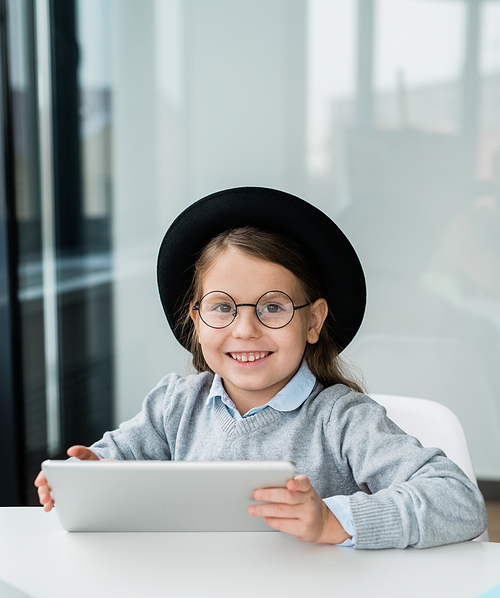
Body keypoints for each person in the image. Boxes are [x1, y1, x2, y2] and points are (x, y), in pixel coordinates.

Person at [35, 187, 488, 548]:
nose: (245, 329)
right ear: (196, 322)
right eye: (222, 307)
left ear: (313, 321)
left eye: (273, 307)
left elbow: (460, 501)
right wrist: (87, 476)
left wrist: (334, 520)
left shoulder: (341, 418)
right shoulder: (174, 405)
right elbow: (116, 460)